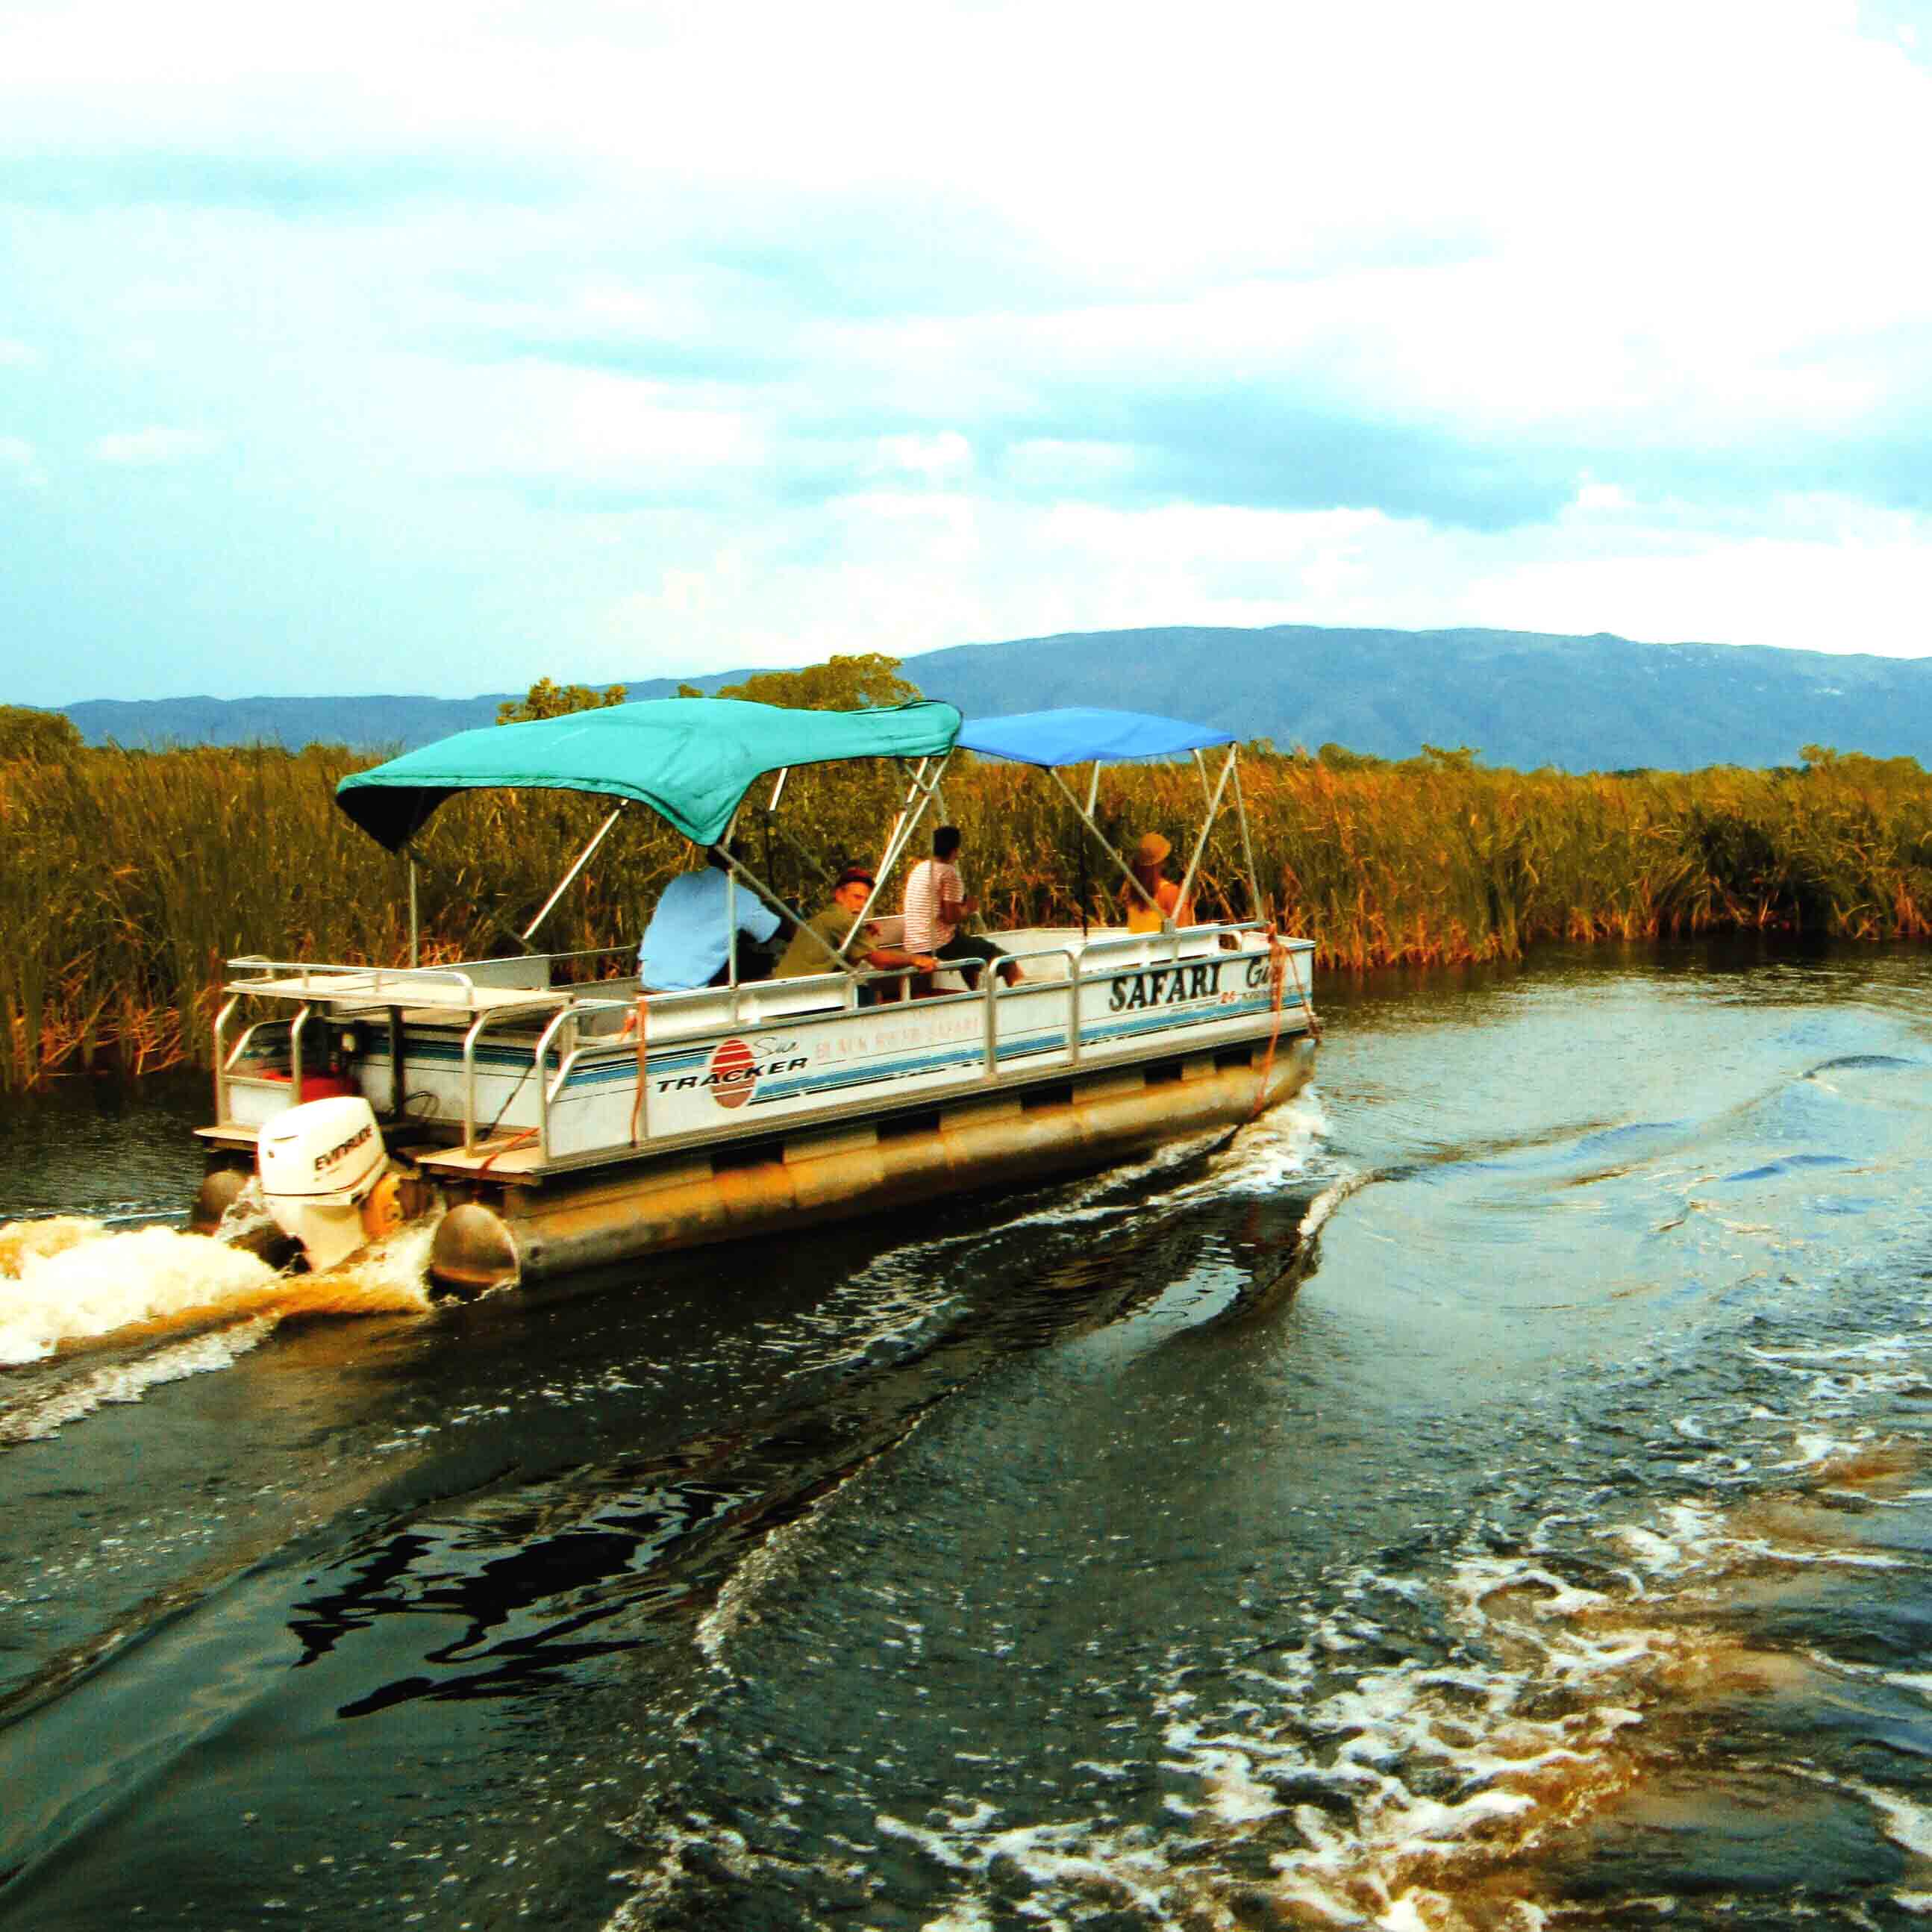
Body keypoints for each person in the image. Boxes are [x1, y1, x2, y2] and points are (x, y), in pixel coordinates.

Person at [772, 865, 937, 996]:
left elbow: (848, 963)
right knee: (870, 994)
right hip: (802, 995)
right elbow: (879, 961)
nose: (862, 905)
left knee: (866, 991)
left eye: (866, 900)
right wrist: (916, 959)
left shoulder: (826, 916)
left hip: (782, 992)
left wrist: (862, 936)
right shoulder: (843, 920)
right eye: (857, 897)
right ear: (839, 895)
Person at [638, 844, 781, 990]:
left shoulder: (680, 882)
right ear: (739, 861)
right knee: (757, 957)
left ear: (708, 858)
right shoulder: (740, 896)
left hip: (650, 979)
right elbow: (771, 931)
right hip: (684, 987)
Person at [901, 825, 1018, 994]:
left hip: (914, 943)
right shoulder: (948, 873)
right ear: (955, 850)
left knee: (968, 949)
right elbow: (951, 917)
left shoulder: (920, 869)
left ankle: (975, 993)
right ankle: (1017, 991)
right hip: (938, 943)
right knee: (1003, 960)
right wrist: (968, 909)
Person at [1122, 831, 1189, 933]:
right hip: (1160, 948)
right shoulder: (1168, 891)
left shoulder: (1131, 892)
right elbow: (1184, 930)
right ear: (1162, 863)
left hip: (1138, 948)